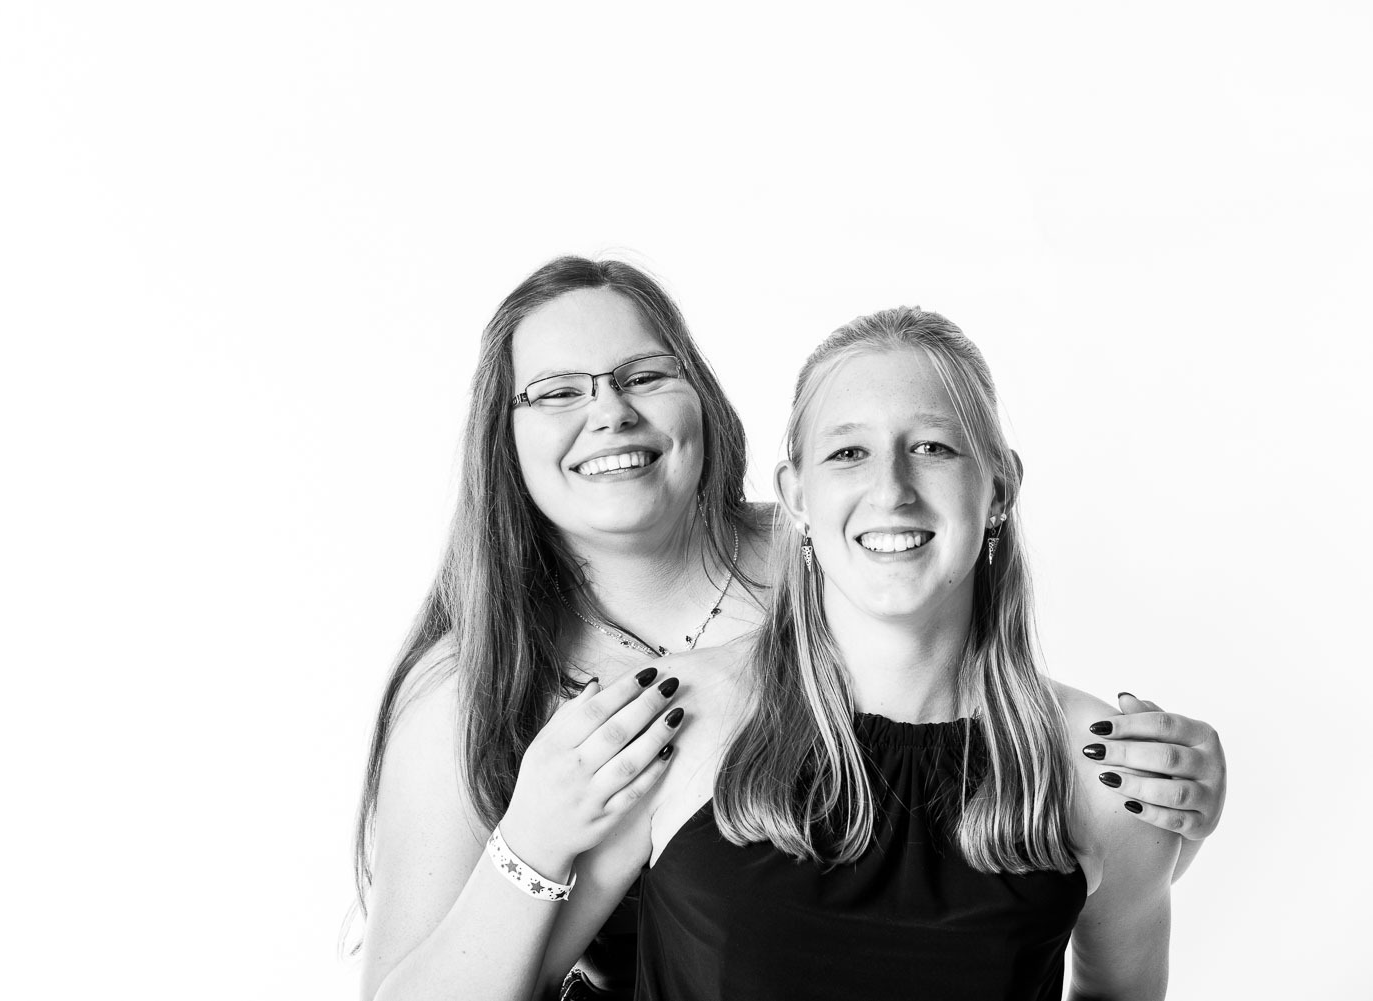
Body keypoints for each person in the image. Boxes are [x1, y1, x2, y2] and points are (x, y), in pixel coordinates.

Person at [353, 261, 1227, 1000]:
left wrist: (1165, 816)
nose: (610, 411)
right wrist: (533, 837)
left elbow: (1057, 877)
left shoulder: (855, 558)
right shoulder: (482, 687)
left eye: (644, 375)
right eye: (555, 392)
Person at [546, 306, 1195, 1000]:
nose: (891, 489)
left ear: (999, 487)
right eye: (848, 453)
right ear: (797, 496)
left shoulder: (1107, 771)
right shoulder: (667, 723)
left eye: (933, 448)